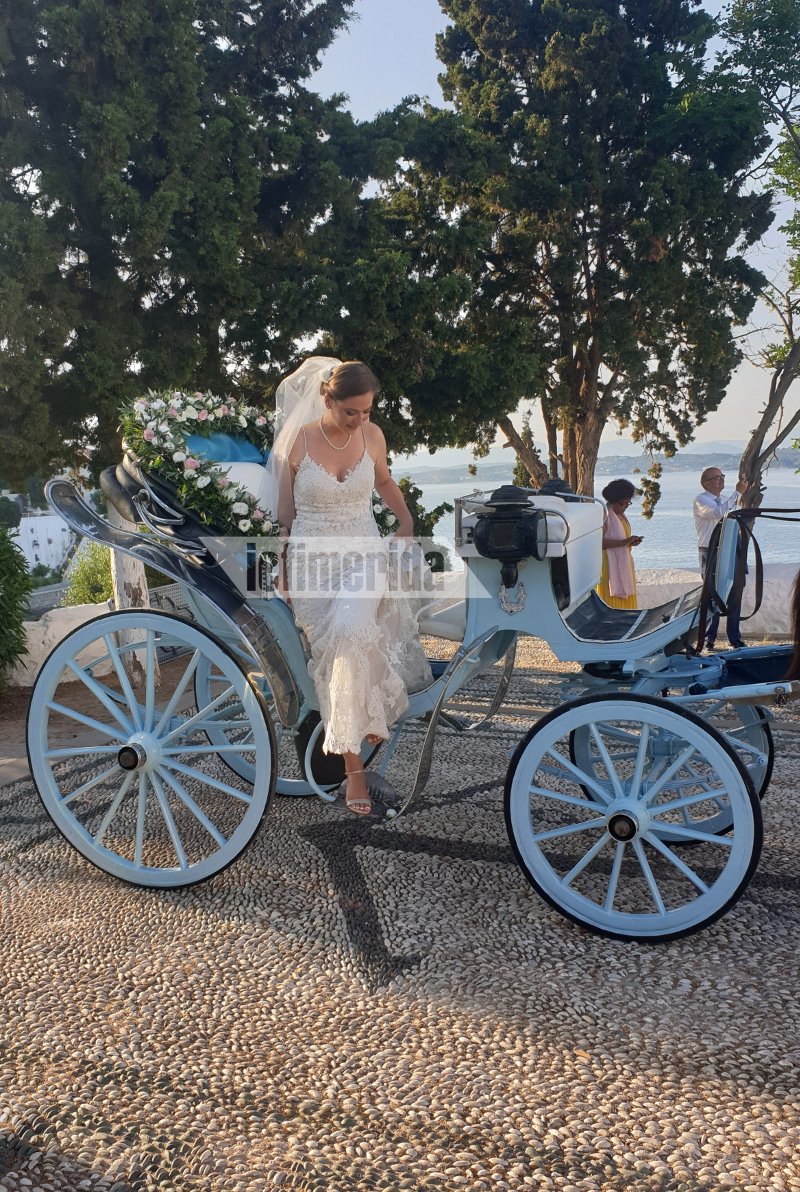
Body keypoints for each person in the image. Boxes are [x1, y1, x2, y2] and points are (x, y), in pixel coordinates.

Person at [271, 357, 432, 816]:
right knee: (339, 641)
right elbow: (285, 517)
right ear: (327, 399)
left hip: (364, 555)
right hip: (312, 565)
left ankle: (355, 762)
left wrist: (405, 521)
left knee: (349, 628)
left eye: (366, 411)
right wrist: (281, 569)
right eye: (350, 412)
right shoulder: (297, 443)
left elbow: (383, 480)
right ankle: (355, 754)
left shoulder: (373, 436)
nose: (359, 420)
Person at [693, 466, 748, 650]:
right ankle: (708, 639)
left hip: (731, 549)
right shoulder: (701, 500)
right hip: (711, 551)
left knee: (736, 592)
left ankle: (734, 639)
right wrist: (737, 493)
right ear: (706, 482)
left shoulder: (725, 499)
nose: (721, 479)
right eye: (716, 477)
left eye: (722, 476)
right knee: (713, 594)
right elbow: (718, 513)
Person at [596, 478, 643, 609]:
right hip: (608, 568)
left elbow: (622, 542)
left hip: (624, 565)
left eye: (628, 503)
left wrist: (630, 542)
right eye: (624, 502)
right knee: (611, 603)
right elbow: (597, 543)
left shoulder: (621, 517)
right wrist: (624, 542)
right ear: (615, 500)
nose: (626, 506)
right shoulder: (604, 517)